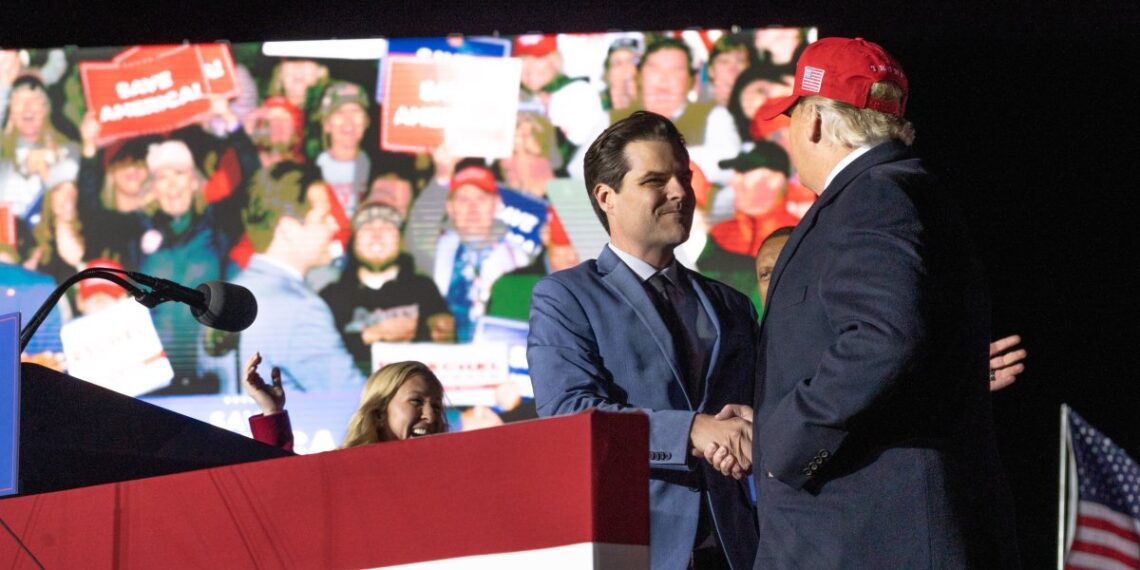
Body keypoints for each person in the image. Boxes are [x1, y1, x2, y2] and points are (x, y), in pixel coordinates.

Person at [744, 37, 1019, 567]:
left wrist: (787, 441)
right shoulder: (904, 190)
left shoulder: (873, 195)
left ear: (816, 123)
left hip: (865, 538)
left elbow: (883, 337)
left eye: (792, 117)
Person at [528, 111, 757, 570]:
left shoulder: (731, 305)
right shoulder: (566, 296)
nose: (679, 193)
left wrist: (754, 425)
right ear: (606, 197)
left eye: (683, 177)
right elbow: (570, 416)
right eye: (655, 180)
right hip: (634, 546)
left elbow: (755, 406)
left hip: (738, 547)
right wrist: (693, 430)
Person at [754, 226, 1029, 389]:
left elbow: (887, 392)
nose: (778, 282)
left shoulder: (856, 336)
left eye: (787, 269)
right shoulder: (749, 351)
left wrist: (957, 382)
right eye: (767, 274)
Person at [232, 162, 363, 393]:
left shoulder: (231, 292)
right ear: (288, 229)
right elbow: (361, 406)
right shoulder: (300, 308)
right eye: (324, 217)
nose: (334, 225)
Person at [320, 199, 454, 375]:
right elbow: (319, 356)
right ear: (353, 241)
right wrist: (371, 335)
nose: (377, 235)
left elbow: (444, 352)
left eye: (387, 228)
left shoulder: (424, 289)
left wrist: (445, 334)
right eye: (367, 228)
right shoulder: (331, 296)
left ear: (400, 240)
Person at [243, 353, 447, 452]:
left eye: (437, 406)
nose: (430, 416)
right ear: (379, 413)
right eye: (416, 402)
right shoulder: (345, 469)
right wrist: (272, 411)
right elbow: (284, 486)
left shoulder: (452, 475)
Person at [610, 38, 741, 185]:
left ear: (691, 80)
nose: (664, 79)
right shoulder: (613, 120)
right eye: (655, 69)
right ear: (639, 76)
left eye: (676, 70)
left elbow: (729, 165)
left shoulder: (714, 116)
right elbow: (583, 173)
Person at [432, 164, 532, 342]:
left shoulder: (521, 258)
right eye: (463, 200)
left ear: (496, 205)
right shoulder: (433, 251)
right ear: (450, 207)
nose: (473, 208)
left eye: (481, 199)